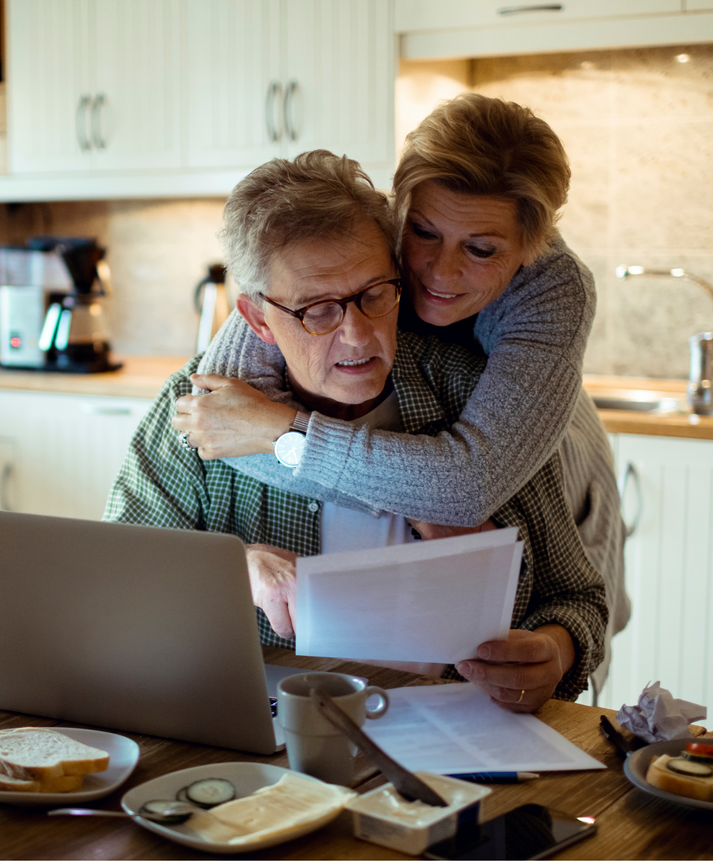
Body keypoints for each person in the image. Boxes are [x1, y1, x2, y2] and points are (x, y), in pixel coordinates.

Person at [104, 151, 607, 711]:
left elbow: (578, 598)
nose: (358, 336)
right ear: (259, 319)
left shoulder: (476, 404)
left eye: (374, 295)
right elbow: (116, 577)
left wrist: (555, 651)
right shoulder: (199, 409)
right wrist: (234, 568)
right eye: (317, 311)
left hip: (455, 727)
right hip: (267, 732)